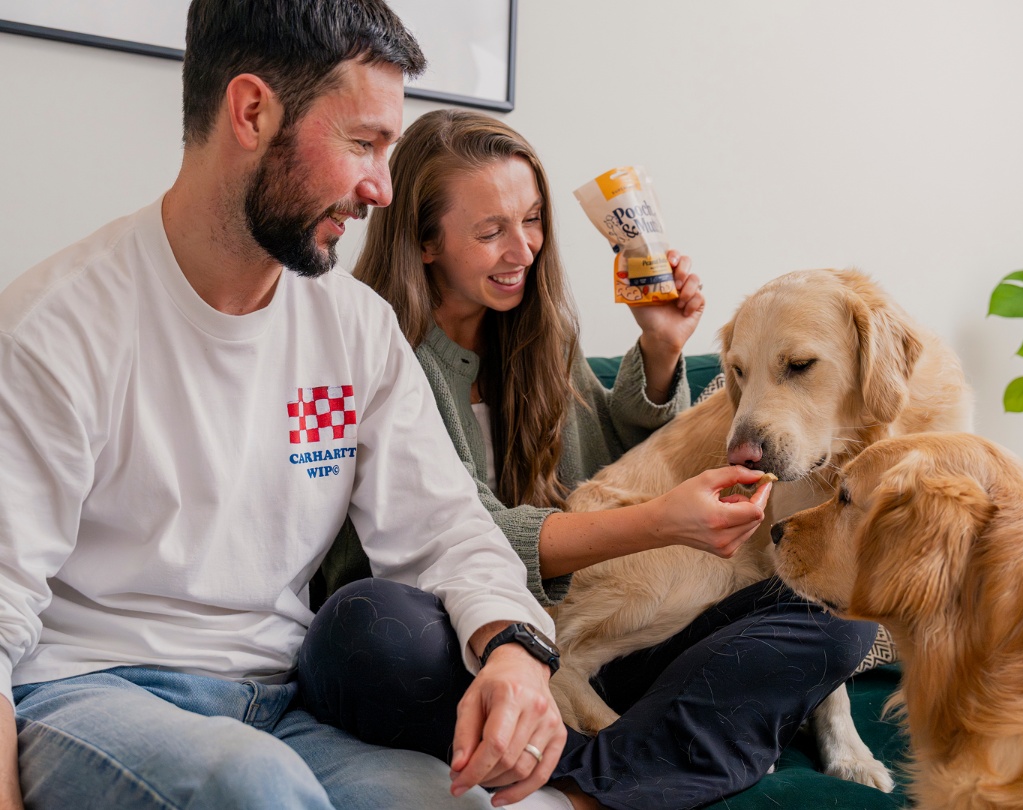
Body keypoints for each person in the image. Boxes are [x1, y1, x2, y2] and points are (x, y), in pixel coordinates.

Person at [0, 4, 575, 809]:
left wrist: (514, 651)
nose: (381, 187)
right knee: (253, 784)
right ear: (251, 111)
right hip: (88, 693)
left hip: (276, 701)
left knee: (458, 802)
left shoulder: (356, 330)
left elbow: (445, 529)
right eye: (363, 144)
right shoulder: (54, 327)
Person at [303, 109, 879, 810]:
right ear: (425, 243)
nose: (524, 249)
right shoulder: (375, 350)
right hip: (455, 642)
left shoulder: (539, 337)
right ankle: (645, 766)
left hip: (584, 642)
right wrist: (660, 522)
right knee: (367, 626)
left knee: (836, 614)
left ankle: (582, 775)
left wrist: (663, 348)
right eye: (491, 232)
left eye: (534, 221)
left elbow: (607, 477)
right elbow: (460, 536)